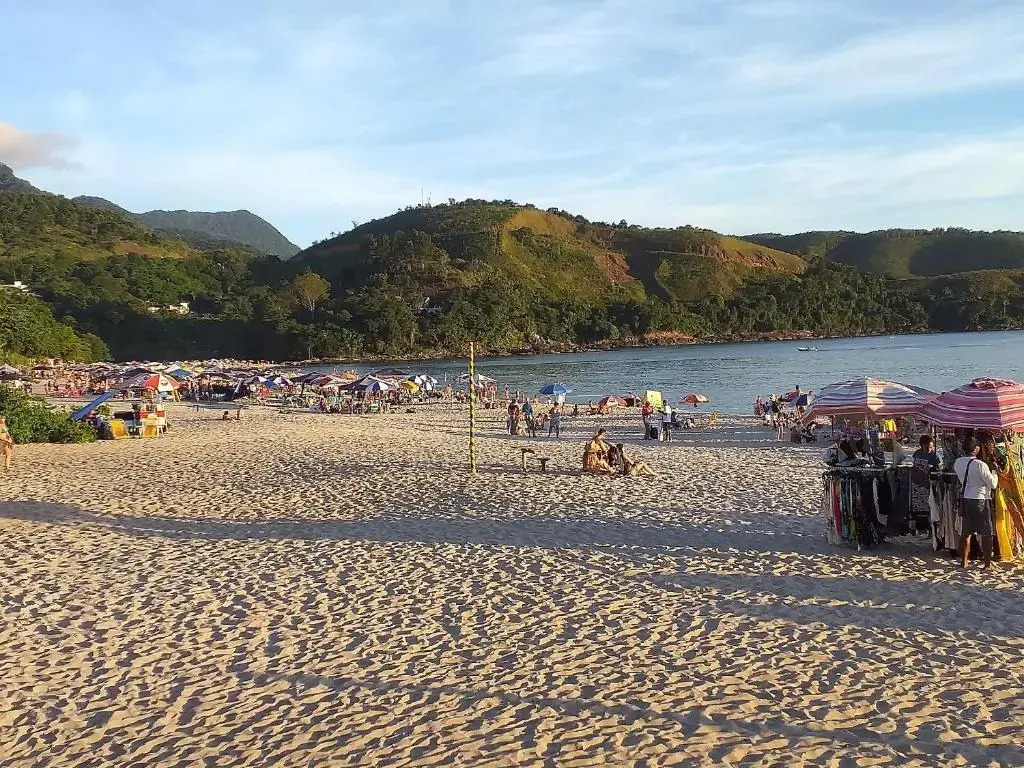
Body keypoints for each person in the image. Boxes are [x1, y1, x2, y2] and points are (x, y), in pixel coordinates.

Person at [953, 438, 999, 569]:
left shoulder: (958, 463)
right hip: (980, 499)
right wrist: (994, 472)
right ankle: (987, 564)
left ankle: (964, 561)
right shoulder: (980, 465)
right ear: (975, 449)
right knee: (986, 532)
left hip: (966, 498)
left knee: (966, 532)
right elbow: (993, 484)